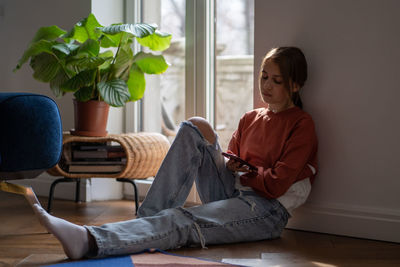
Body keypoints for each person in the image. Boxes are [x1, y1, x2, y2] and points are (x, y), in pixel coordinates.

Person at [33, 46, 318, 260]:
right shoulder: (250, 117)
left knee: (183, 218)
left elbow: (277, 184)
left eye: (276, 81)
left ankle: (90, 240)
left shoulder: (301, 124)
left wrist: (248, 172)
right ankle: (145, 222)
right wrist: (238, 167)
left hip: (264, 211)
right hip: (232, 192)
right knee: (196, 126)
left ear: (295, 85)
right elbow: (233, 157)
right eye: (264, 76)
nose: (266, 85)